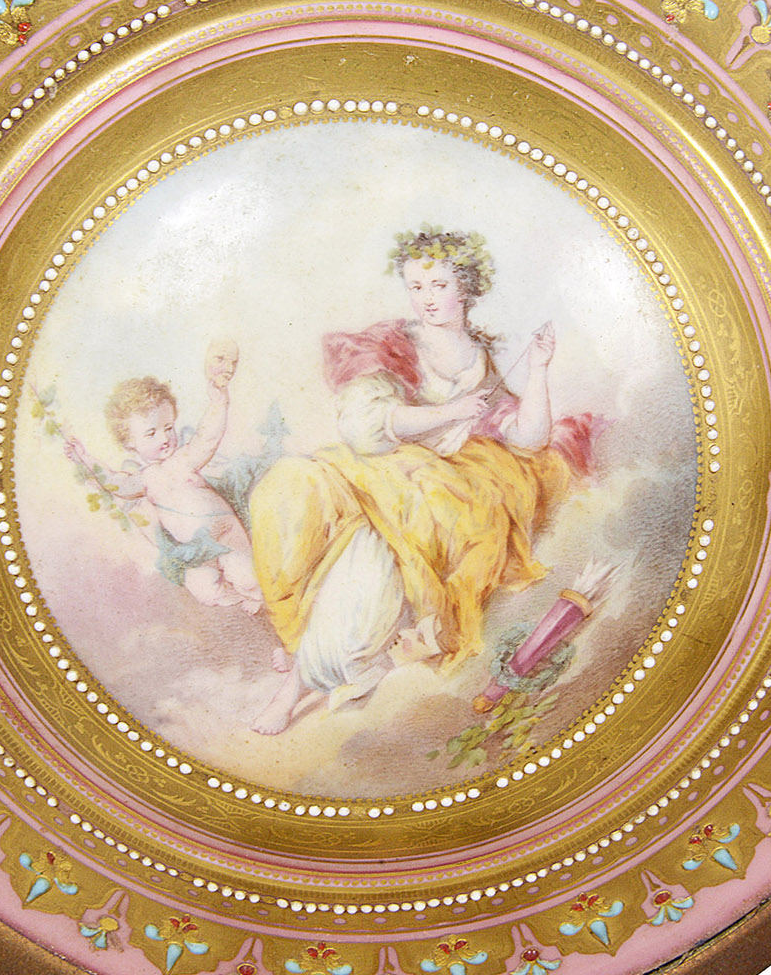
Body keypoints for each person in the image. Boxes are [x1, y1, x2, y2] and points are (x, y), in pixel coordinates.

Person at [248, 226, 596, 733]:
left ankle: (344, 669)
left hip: (450, 490)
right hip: (385, 473)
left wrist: (539, 368)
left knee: (399, 566)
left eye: (438, 285)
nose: (426, 298)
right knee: (354, 549)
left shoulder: (481, 357)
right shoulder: (394, 345)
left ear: (466, 287)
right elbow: (365, 427)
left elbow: (528, 439)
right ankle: (299, 683)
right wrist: (450, 412)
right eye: (415, 286)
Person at [74, 346, 266, 613]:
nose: (165, 438)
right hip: (194, 552)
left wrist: (219, 403)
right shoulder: (144, 479)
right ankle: (231, 597)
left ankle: (256, 596)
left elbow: (208, 437)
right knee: (205, 590)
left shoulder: (183, 459)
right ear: (130, 443)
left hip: (224, 533)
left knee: (248, 577)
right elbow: (116, 483)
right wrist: (85, 458)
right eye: (151, 433)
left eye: (168, 428)